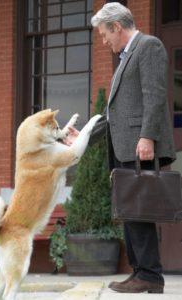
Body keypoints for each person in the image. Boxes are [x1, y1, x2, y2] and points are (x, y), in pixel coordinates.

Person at [64, 2, 176, 294]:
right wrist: (84, 137)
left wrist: (148, 137)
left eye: (104, 35)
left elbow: (155, 95)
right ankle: (141, 272)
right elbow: (115, 115)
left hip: (139, 146)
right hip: (125, 146)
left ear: (117, 27)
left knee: (139, 211)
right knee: (130, 211)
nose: (104, 41)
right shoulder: (126, 57)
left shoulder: (148, 46)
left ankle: (150, 274)